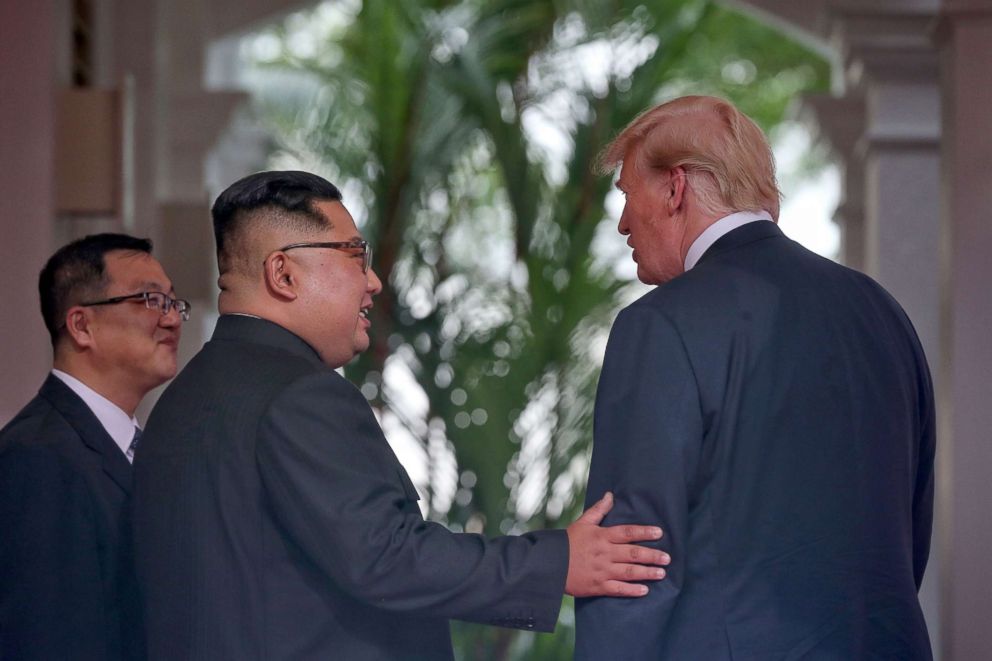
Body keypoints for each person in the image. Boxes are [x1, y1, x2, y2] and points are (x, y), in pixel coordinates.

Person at [132, 170, 671, 660]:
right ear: (284, 273)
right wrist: (558, 562)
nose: (373, 282)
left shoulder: (183, 400)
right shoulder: (299, 394)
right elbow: (386, 555)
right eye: (354, 256)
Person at [575, 96, 935, 660]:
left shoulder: (659, 325)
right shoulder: (882, 312)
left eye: (625, 193)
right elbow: (909, 529)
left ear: (676, 188)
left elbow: (633, 563)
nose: (622, 221)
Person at [0, 233, 188, 660]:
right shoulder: (38, 456)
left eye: (174, 303)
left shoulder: (143, 448)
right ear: (82, 325)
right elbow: (41, 635)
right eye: (151, 300)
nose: (173, 319)